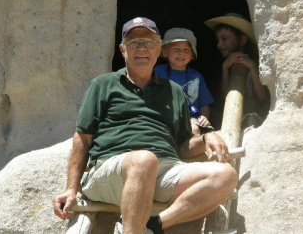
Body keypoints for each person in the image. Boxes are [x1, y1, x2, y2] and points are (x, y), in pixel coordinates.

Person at [53, 17, 238, 234]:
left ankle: (152, 226)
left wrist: (207, 136)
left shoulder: (174, 91)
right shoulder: (103, 84)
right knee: (144, 160)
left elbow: (183, 145)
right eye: (134, 43)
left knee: (226, 174)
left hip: (164, 169)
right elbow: (83, 138)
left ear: (159, 48)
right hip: (111, 171)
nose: (142, 48)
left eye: (148, 42)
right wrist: (71, 189)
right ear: (123, 49)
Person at [204, 13, 270, 127]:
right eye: (218, 40)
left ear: (243, 39)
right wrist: (225, 69)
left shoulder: (259, 64)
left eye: (224, 39)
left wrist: (252, 68)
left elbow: (262, 98)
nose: (219, 45)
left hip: (255, 119)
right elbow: (225, 97)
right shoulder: (225, 66)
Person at [154, 28, 214, 135]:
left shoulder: (196, 76)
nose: (181, 53)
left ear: (192, 54)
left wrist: (204, 117)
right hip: (162, 117)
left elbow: (205, 103)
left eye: (186, 50)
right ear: (164, 52)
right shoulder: (157, 72)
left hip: (189, 119)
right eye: (176, 49)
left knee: (194, 130)